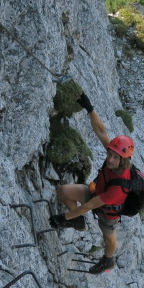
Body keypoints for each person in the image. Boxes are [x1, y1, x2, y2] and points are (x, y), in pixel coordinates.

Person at [49, 92, 135, 274]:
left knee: (108, 239)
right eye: (109, 154)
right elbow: (101, 130)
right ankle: (77, 222)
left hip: (108, 211)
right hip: (96, 193)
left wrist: (62, 218)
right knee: (62, 191)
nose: (109, 159)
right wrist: (89, 108)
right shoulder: (115, 155)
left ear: (123, 160)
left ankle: (108, 260)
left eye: (114, 157)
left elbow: (87, 206)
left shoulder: (119, 187)